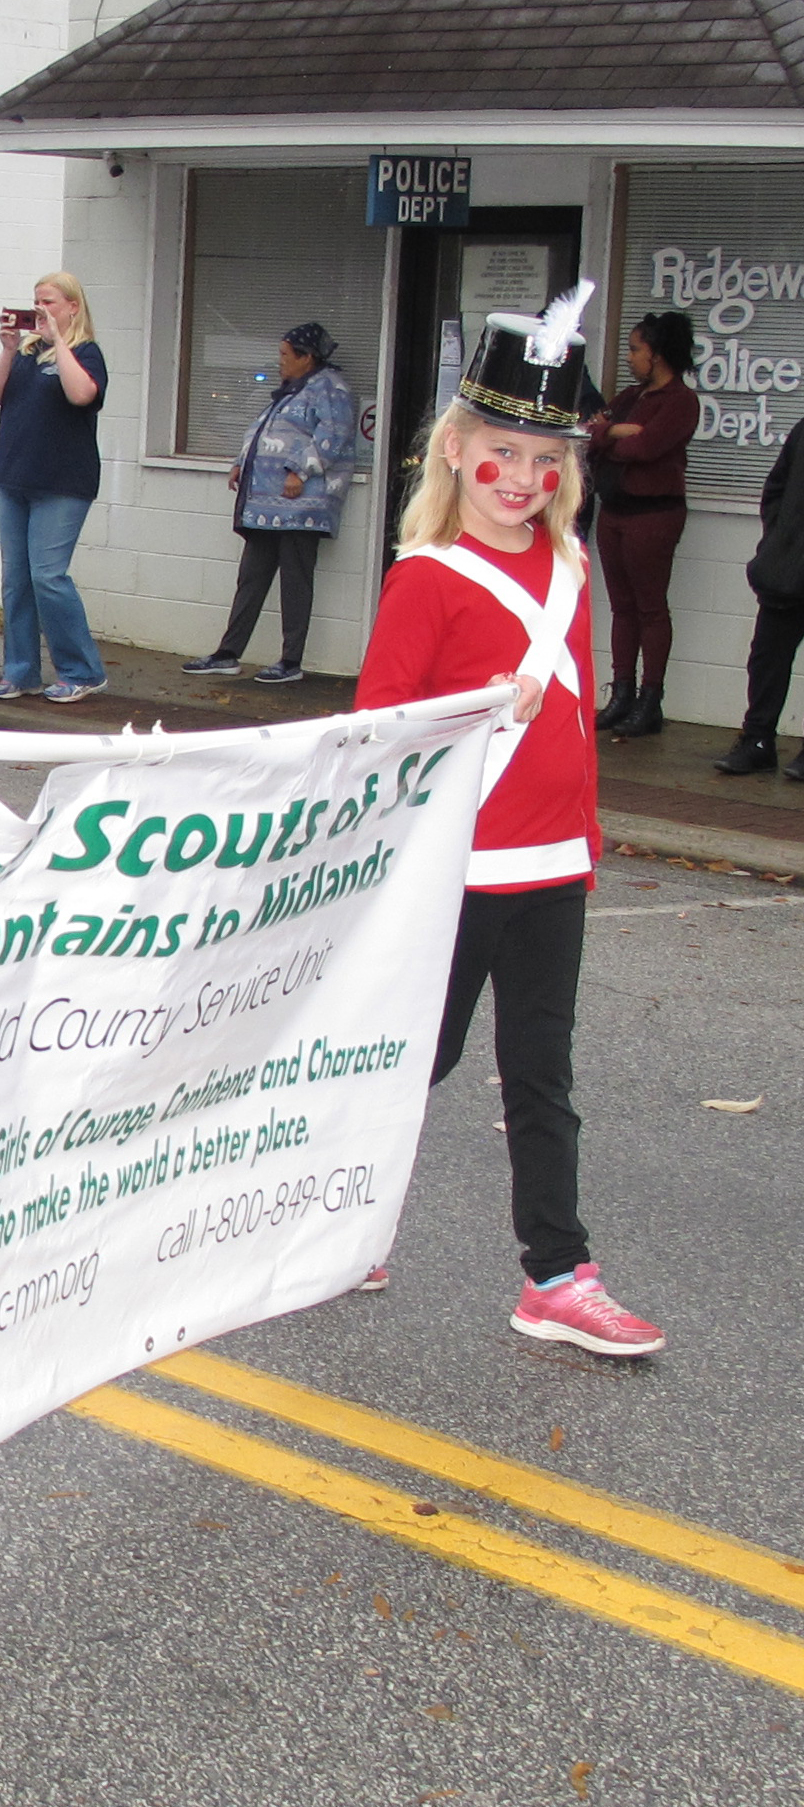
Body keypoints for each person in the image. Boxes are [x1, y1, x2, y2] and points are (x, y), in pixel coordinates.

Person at [354, 288, 663, 1358]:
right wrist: (479, 711)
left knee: (542, 1077)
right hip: (458, 866)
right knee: (415, 1060)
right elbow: (379, 734)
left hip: (551, 865)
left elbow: (572, 717)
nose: (523, 478)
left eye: (546, 459)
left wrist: (584, 834)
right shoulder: (426, 580)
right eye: (502, 453)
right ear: (454, 449)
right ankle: (343, 1222)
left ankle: (557, 1275)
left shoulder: (570, 564)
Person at [185, 322, 359, 685]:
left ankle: (290, 660)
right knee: (251, 577)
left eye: (285, 354)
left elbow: (334, 435)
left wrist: (300, 470)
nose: (279, 361)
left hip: (300, 506)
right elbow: (262, 430)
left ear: (307, 357)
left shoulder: (330, 388)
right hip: (266, 507)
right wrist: (241, 462)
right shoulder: (291, 389)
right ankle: (228, 654)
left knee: (295, 582)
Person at [0, 271, 106, 702]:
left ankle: (82, 670)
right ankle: (21, 671)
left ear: (73, 307)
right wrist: (8, 349)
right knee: (17, 580)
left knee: (49, 577)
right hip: (14, 476)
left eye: (49, 302)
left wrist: (60, 342)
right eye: (36, 302)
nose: (40, 310)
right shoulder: (25, 354)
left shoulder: (85, 353)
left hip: (62, 482)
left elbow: (82, 394)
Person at [584, 309, 698, 737]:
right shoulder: (631, 397)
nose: (630, 357)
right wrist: (615, 432)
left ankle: (650, 699)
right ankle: (622, 693)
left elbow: (646, 448)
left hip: (654, 513)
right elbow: (590, 434)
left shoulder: (681, 401)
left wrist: (612, 436)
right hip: (615, 509)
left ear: (658, 353)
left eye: (636, 350)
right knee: (622, 607)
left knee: (650, 607)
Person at [712, 415, 804, 779]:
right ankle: (757, 741)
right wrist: (778, 539)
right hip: (788, 568)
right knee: (767, 658)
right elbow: (776, 487)